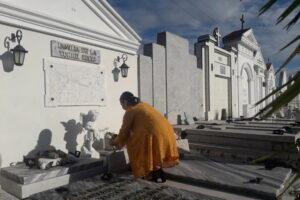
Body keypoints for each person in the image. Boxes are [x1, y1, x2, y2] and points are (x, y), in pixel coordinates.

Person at [111, 91, 179, 182]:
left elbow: (124, 131)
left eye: (121, 105)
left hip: (155, 135)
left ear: (125, 102)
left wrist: (114, 141)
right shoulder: (144, 105)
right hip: (168, 133)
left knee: (135, 145)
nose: (122, 107)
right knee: (144, 144)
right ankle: (156, 172)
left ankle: (148, 173)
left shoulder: (130, 110)